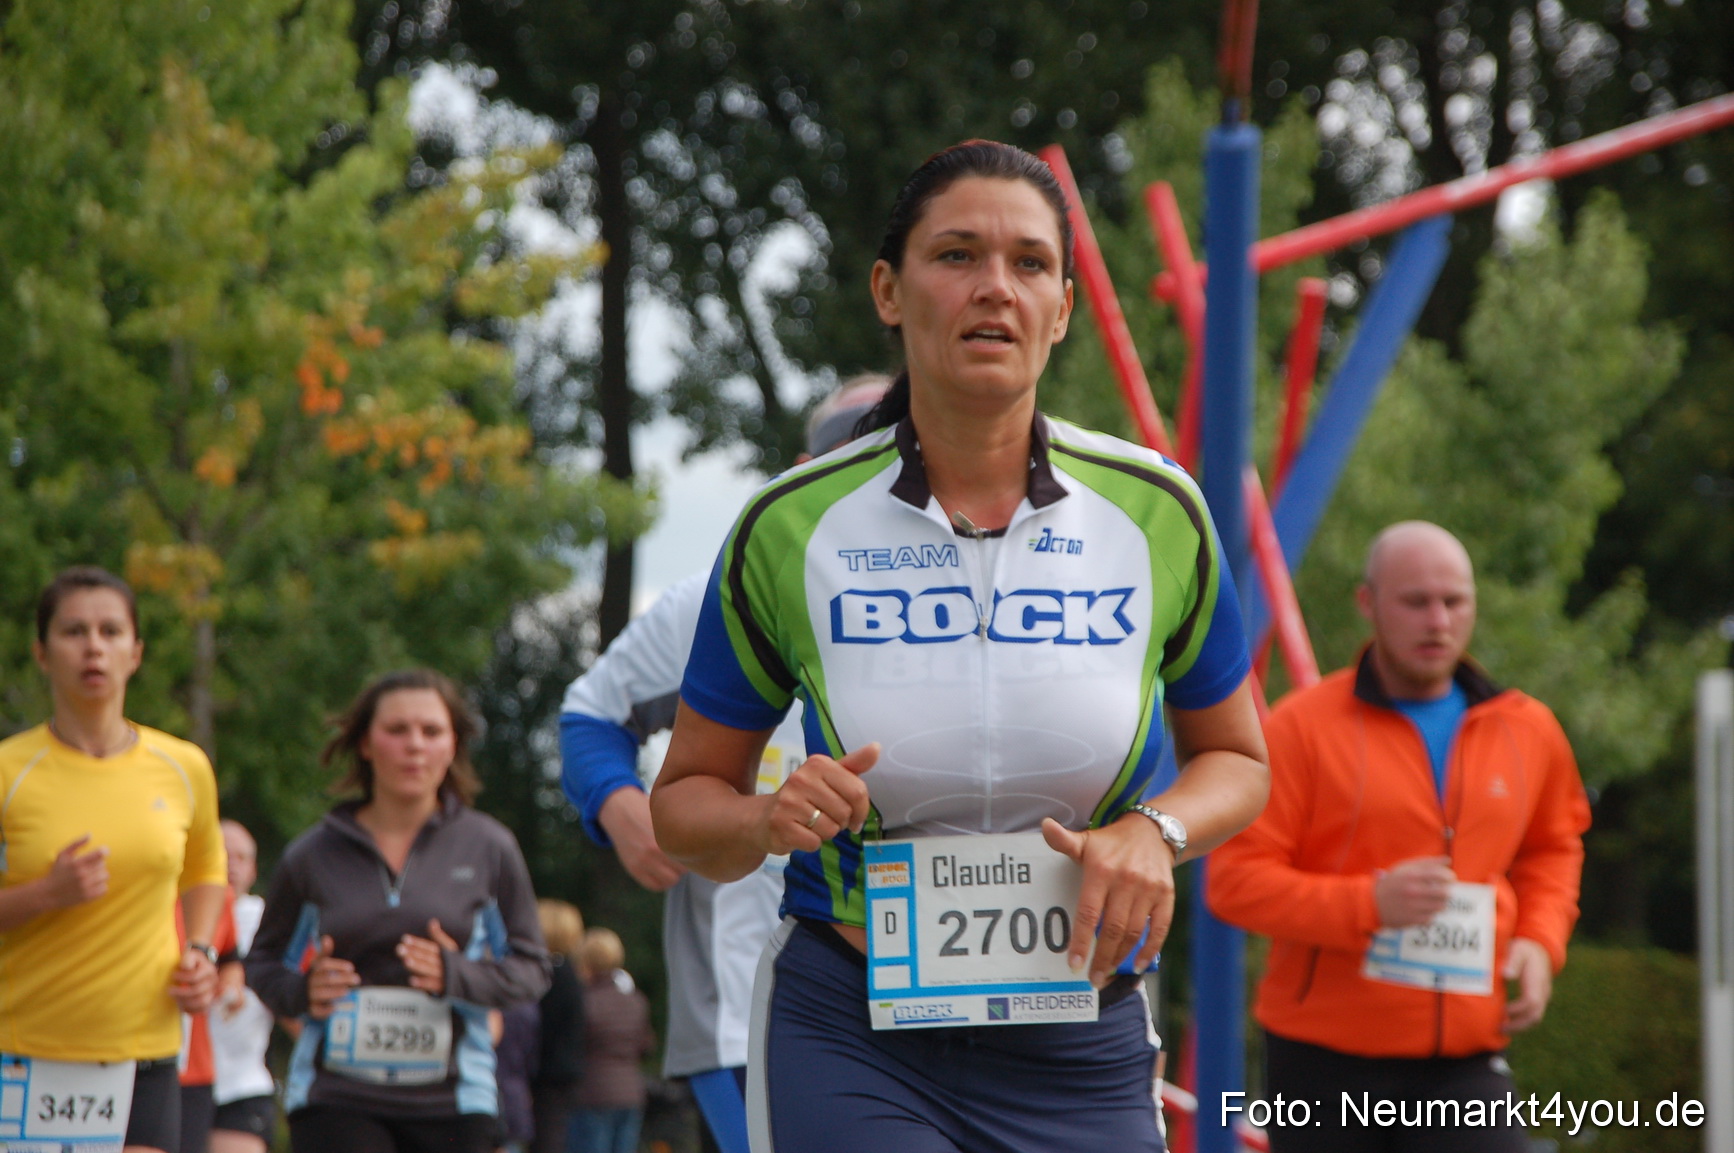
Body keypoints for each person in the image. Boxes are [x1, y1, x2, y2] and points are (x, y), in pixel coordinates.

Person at [650, 140, 1270, 1153]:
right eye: (958, 256)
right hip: (850, 1034)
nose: (996, 288)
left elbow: (1240, 761)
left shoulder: (1160, 513)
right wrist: (769, 815)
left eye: (1030, 264)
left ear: (1064, 307)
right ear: (889, 291)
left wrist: (1155, 830)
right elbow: (684, 808)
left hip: (1083, 1028)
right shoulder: (789, 527)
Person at [558, 375, 889, 1153]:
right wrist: (621, 804)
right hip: (751, 1009)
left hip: (948, 995)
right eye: (852, 455)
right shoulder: (717, 596)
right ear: (805, 468)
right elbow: (589, 716)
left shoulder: (989, 600)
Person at [1207, 521, 1591, 1152]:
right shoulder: (1302, 728)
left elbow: (1554, 848)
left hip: (1466, 1057)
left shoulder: (1529, 730)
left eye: (1454, 601)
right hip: (1323, 1066)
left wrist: (1540, 943)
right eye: (1416, 601)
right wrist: (1369, 906)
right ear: (1368, 604)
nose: (1438, 620)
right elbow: (1235, 883)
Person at [245, 669, 552, 1153]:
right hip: (336, 1097)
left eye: (432, 731)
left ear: (453, 745)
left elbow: (533, 968)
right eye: (397, 730)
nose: (415, 745)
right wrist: (304, 990)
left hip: (456, 1101)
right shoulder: (312, 854)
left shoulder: (489, 848)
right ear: (365, 744)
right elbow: (260, 964)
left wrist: (456, 974)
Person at [0, 567, 227, 1153]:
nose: (94, 646)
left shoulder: (183, 767)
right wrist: (44, 895)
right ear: (42, 654)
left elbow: (205, 869)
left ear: (136, 652)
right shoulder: (8, 771)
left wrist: (200, 949)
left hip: (141, 1047)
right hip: (22, 1049)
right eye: (74, 631)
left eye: (110, 630)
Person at [208, 819, 279, 1153]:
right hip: (176, 1079)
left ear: (253, 869)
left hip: (242, 1084)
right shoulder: (175, 915)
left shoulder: (271, 924)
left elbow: (296, 1006)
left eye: (241, 857)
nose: (231, 865)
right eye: (222, 854)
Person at [570, 929, 655, 1153]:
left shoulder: (584, 1002)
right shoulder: (636, 1000)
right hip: (630, 1092)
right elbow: (646, 1045)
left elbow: (572, 1047)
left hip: (593, 1092)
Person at [176, 889, 241, 1153]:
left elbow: (230, 958)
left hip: (191, 1070)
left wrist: (230, 985)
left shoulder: (216, 892)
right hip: (108, 1057)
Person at [528, 899, 586, 1153]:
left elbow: (542, 1028)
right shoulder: (569, 972)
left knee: (546, 1140)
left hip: (548, 1073)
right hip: (563, 1070)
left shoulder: (550, 976)